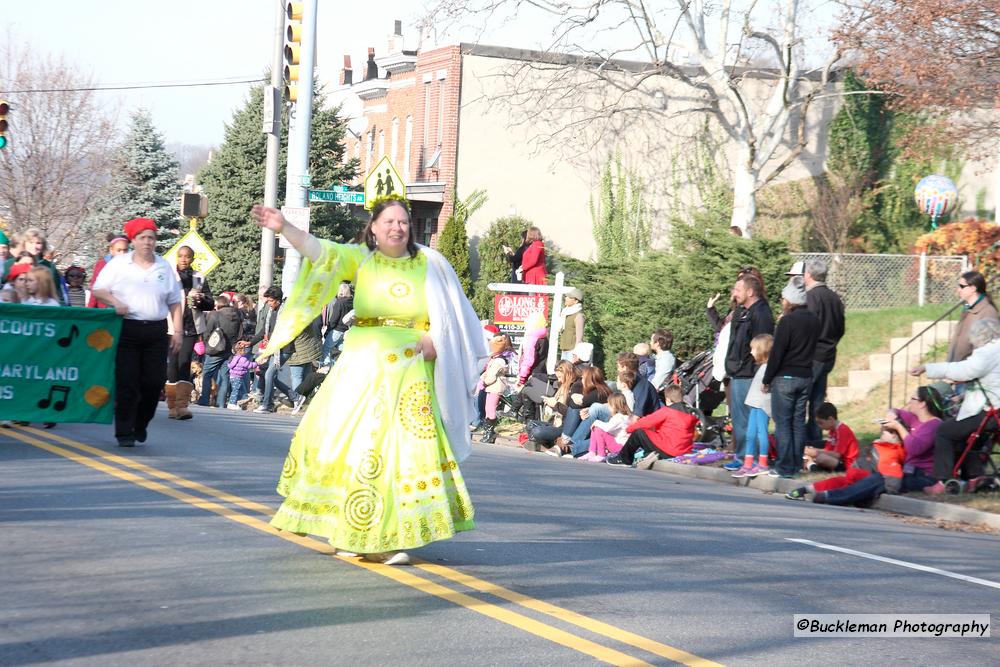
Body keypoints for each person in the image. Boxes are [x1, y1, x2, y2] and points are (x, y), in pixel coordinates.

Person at [250, 199, 487, 565]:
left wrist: (436, 342)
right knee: (350, 447)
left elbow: (454, 317)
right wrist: (284, 228)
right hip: (361, 368)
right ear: (373, 227)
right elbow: (319, 250)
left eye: (404, 221)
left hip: (409, 376)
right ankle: (351, 531)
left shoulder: (431, 264)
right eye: (390, 221)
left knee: (396, 454)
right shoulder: (359, 257)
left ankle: (380, 535)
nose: (398, 227)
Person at [91, 218, 183, 448]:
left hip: (156, 330)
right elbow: (98, 289)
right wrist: (115, 302)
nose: (147, 242)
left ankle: (141, 423)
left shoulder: (163, 266)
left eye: (151, 238)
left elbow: (174, 301)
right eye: (142, 238)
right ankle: (124, 431)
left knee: (153, 383)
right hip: (127, 329)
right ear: (133, 240)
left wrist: (178, 330)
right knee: (127, 383)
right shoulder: (119, 264)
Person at [787, 386, 944, 504]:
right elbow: (895, 410)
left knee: (879, 480)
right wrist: (891, 415)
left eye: (913, 399)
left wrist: (898, 428)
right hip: (906, 471)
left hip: (922, 476)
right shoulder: (915, 419)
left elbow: (915, 448)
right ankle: (812, 488)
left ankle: (833, 497)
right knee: (860, 478)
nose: (910, 402)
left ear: (923, 404)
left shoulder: (934, 424)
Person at [913, 318, 1000, 489]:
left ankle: (942, 481)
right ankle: (973, 477)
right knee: (969, 435)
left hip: (990, 412)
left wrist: (927, 368)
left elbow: (965, 369)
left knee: (945, 431)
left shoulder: (988, 352)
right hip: (995, 411)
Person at [763, 277, 819, 478]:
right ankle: (795, 464)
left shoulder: (787, 321)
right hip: (805, 376)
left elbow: (777, 352)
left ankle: (784, 466)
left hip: (785, 377)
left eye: (784, 299)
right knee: (797, 422)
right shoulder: (814, 320)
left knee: (783, 423)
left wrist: (767, 379)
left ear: (790, 301)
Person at [722, 273, 775, 471]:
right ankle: (742, 456)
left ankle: (750, 458)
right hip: (737, 372)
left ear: (750, 292)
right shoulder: (742, 311)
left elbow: (763, 345)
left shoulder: (761, 313)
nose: (733, 293)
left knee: (749, 419)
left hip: (750, 374)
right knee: (739, 419)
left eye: (738, 290)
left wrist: (758, 371)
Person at [167, 246, 214, 419]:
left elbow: (210, 303)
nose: (183, 259)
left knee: (185, 362)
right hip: (171, 326)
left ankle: (182, 405)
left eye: (187, 257)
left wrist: (202, 300)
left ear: (192, 259)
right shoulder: (170, 276)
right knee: (172, 365)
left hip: (191, 326)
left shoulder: (199, 278)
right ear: (176, 258)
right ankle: (172, 405)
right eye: (180, 256)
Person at [803, 259, 846, 445]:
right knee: (818, 398)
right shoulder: (834, 297)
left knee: (803, 397)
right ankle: (816, 436)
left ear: (809, 275)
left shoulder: (812, 297)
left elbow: (808, 326)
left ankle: (807, 438)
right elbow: (841, 327)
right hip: (829, 353)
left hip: (813, 354)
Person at [606, 385, 698, 468]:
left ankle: (624, 459)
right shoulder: (689, 413)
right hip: (683, 451)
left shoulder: (667, 411)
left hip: (670, 450)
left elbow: (647, 422)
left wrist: (629, 429)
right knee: (653, 434)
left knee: (639, 432)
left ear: (668, 399)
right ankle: (649, 454)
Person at [734, 333, 773, 478]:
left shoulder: (769, 368)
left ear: (762, 350)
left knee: (761, 433)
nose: (751, 352)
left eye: (754, 349)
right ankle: (748, 463)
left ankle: (763, 463)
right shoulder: (762, 367)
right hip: (754, 404)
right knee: (750, 434)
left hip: (762, 405)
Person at [199, 295, 243, 408]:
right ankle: (221, 402)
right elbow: (240, 332)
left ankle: (204, 399)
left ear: (218, 304)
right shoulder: (237, 315)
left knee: (207, 374)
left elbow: (206, 332)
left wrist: (206, 343)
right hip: (230, 350)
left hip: (215, 350)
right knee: (225, 376)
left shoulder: (215, 315)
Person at [246, 287, 284, 413]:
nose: (269, 303)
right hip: (273, 348)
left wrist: (271, 341)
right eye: (268, 301)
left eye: (271, 301)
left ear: (278, 301)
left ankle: (266, 404)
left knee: (268, 374)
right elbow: (263, 331)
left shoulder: (284, 312)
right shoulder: (270, 312)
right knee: (267, 374)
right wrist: (250, 342)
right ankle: (295, 397)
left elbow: (283, 332)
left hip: (284, 349)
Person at [1, 228, 64, 304]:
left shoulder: (49, 267)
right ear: (24, 243)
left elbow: (56, 291)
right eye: (31, 242)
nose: (34, 246)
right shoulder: (10, 263)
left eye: (38, 243)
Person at [947, 270, 999, 363]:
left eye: (962, 287)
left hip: (972, 372)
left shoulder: (988, 313)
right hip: (959, 370)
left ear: (973, 288)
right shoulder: (968, 309)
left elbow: (987, 354)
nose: (958, 290)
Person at [801, 402, 859, 472]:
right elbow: (828, 449)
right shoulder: (832, 430)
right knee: (810, 454)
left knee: (820, 458)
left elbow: (837, 455)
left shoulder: (842, 431)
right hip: (836, 460)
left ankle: (813, 467)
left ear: (830, 419)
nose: (820, 426)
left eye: (821, 423)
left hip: (847, 464)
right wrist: (812, 450)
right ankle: (811, 465)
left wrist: (816, 452)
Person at [478, 332, 513, 444]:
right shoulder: (496, 359)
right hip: (491, 387)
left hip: (495, 387)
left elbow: (491, 376)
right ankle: (488, 431)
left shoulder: (498, 360)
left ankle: (490, 432)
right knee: (488, 408)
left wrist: (484, 382)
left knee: (491, 409)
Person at [580, 393, 634, 462]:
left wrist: (596, 422)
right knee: (596, 427)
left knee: (598, 429)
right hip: (619, 445)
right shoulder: (623, 416)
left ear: (614, 406)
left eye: (609, 405)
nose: (608, 407)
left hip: (620, 447)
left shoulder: (620, 417)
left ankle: (601, 454)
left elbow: (607, 428)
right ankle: (592, 452)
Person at [88, 235, 130, 308]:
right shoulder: (102, 264)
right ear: (111, 250)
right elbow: (94, 289)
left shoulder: (132, 265)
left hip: (125, 309)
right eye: (119, 250)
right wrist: (90, 311)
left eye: (125, 250)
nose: (122, 254)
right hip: (105, 309)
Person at [322, 282, 354, 366]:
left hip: (336, 330)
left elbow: (334, 319)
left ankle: (326, 366)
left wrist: (328, 331)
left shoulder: (339, 302)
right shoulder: (352, 302)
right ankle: (342, 366)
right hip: (346, 330)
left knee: (326, 348)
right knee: (342, 350)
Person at [225, 343, 258, 410]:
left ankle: (238, 402)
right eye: (244, 350)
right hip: (238, 377)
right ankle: (232, 403)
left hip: (232, 377)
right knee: (236, 390)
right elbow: (249, 365)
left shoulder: (234, 358)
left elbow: (230, 365)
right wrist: (257, 363)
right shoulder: (242, 359)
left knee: (236, 390)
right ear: (240, 351)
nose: (245, 352)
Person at [556, 288, 584, 359]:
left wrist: (576, 354)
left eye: (569, 297)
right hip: (564, 349)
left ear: (576, 301)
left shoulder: (579, 316)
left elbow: (579, 337)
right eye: (566, 297)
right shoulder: (565, 313)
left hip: (572, 351)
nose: (566, 298)